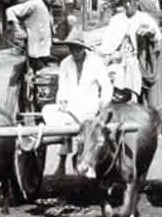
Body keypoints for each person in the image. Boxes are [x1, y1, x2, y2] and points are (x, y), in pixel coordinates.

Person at [42, 29, 114, 176]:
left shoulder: (95, 62)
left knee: (90, 131)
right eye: (72, 48)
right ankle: (62, 162)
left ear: (83, 48)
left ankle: (90, 164)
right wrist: (62, 100)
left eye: (78, 48)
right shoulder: (65, 64)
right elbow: (62, 87)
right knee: (48, 111)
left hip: (89, 110)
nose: (75, 52)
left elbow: (106, 86)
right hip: (70, 109)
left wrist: (103, 103)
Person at [98, 0, 161, 102]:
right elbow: (107, 43)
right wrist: (108, 56)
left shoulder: (144, 18)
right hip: (117, 57)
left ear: (136, 2)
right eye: (124, 2)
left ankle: (133, 98)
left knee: (131, 65)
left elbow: (156, 35)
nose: (127, 5)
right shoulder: (116, 20)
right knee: (105, 70)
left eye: (129, 1)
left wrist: (149, 32)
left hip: (138, 58)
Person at [6, 0, 62, 71]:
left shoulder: (48, 8)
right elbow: (11, 11)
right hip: (35, 51)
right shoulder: (35, 4)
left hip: (45, 50)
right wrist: (18, 29)